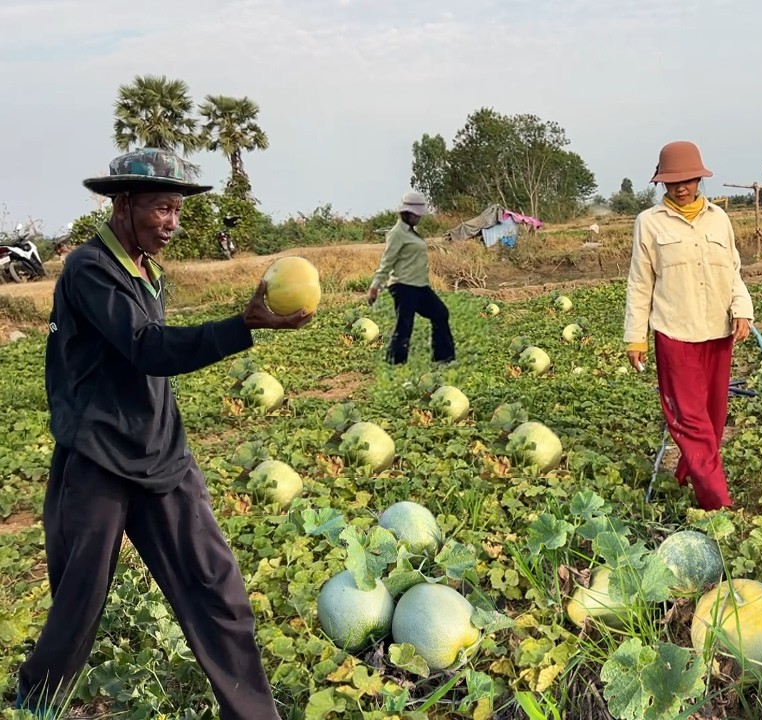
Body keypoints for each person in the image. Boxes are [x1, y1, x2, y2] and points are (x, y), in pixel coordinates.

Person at [15, 148, 312, 717]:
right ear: (124, 205)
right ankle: (35, 703)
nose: (173, 222)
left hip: (160, 455)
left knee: (216, 587)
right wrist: (242, 325)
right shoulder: (90, 270)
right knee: (79, 604)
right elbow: (147, 348)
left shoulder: (149, 270)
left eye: (177, 209)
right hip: (99, 458)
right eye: (161, 209)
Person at [623, 141, 755, 511]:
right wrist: (636, 338)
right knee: (691, 422)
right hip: (674, 333)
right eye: (673, 181)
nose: (681, 187)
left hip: (717, 332)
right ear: (662, 183)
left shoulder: (719, 219)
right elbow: (640, 283)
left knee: (713, 419)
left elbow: (733, 271)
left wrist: (742, 309)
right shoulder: (649, 223)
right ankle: (717, 503)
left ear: (699, 179)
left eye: (688, 179)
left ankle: (683, 475)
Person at [368, 191, 455, 365]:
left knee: (440, 314)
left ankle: (443, 358)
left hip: (419, 286)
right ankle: (395, 362)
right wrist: (375, 287)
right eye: (416, 215)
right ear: (406, 213)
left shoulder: (412, 232)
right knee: (405, 325)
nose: (419, 218)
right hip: (403, 285)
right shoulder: (397, 234)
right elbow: (387, 261)